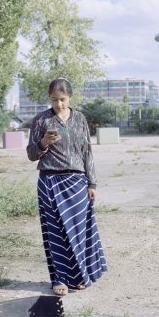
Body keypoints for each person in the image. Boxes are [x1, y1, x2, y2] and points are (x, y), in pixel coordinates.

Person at [26, 78, 107, 296]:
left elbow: (87, 152)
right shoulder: (41, 120)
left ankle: (80, 276)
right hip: (49, 182)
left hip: (77, 182)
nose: (58, 104)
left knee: (79, 231)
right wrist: (43, 143)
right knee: (55, 232)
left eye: (62, 99)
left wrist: (92, 183)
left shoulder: (80, 119)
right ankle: (60, 279)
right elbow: (31, 154)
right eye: (54, 100)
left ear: (70, 98)